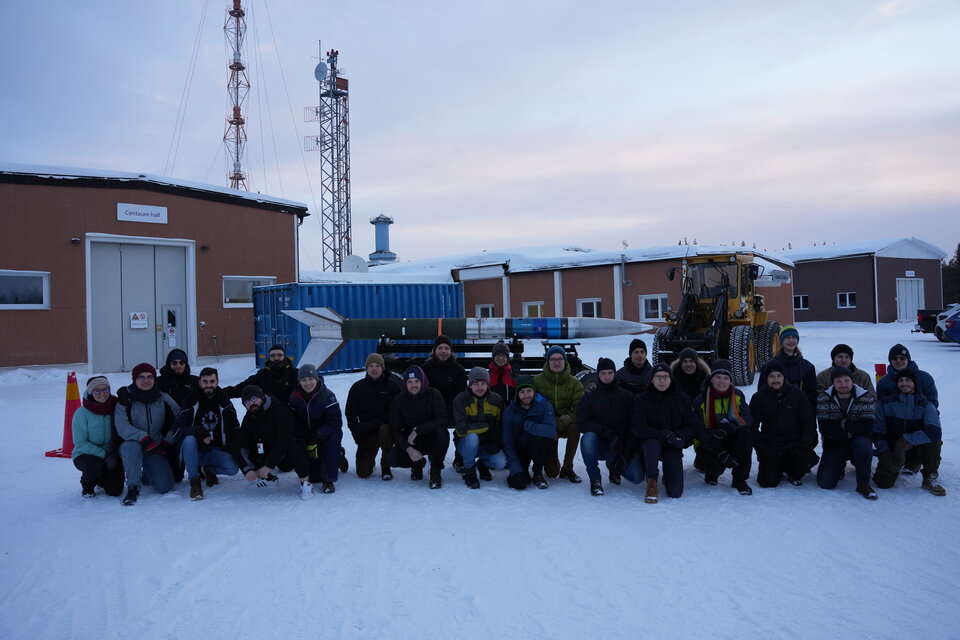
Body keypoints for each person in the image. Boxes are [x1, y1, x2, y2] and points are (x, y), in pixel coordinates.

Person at [115, 363, 183, 506]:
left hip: (155, 447)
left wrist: (167, 440)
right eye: (141, 377)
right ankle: (133, 487)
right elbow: (122, 426)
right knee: (131, 447)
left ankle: (147, 473)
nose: (145, 381)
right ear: (134, 379)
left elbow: (181, 418)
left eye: (149, 377)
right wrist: (143, 438)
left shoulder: (163, 398)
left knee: (165, 487)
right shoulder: (125, 399)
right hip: (132, 445)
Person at [630, 363, 700, 502]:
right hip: (651, 442)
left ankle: (668, 475)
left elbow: (693, 425)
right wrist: (662, 434)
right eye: (658, 377)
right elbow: (638, 427)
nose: (662, 381)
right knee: (652, 444)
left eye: (665, 377)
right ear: (652, 379)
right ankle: (651, 482)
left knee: (675, 492)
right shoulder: (641, 400)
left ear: (671, 379)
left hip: (672, 443)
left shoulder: (682, 399)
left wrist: (679, 436)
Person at [231, 385, 314, 499]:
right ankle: (268, 478)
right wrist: (247, 469)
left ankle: (305, 484)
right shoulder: (250, 417)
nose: (251, 403)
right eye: (247, 402)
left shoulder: (279, 408)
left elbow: (286, 438)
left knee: (295, 447)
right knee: (247, 443)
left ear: (261, 396)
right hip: (270, 452)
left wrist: (269, 465)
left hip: (286, 452)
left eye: (254, 399)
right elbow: (241, 443)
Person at [873, 368, 945, 496]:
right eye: (900, 380)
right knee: (883, 484)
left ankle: (930, 478)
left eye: (908, 380)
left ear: (915, 383)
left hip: (915, 449)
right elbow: (878, 432)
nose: (904, 383)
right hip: (892, 451)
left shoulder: (926, 406)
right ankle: (893, 466)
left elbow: (934, 431)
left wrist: (906, 441)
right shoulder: (884, 404)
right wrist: (884, 452)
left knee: (935, 443)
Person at [749, 360, 819, 488]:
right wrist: (762, 451)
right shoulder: (759, 398)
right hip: (772, 445)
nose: (776, 380)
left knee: (803, 460)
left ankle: (793, 469)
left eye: (779, 376)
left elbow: (808, 422)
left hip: (795, 443)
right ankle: (778, 465)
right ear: (766, 378)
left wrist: (805, 445)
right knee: (767, 482)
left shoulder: (797, 394)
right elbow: (752, 427)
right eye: (771, 376)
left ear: (784, 377)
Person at [175, 367, 240, 500]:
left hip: (215, 449)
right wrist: (199, 432)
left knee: (232, 468)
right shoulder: (191, 400)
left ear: (217, 382)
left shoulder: (224, 401)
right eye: (205, 381)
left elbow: (235, 426)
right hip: (195, 449)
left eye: (212, 381)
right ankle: (194, 480)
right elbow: (176, 430)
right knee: (188, 439)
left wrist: (233, 447)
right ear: (199, 382)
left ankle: (207, 469)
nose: (208, 385)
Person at [693, 360, 754, 495]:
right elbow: (697, 429)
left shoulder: (737, 396)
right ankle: (711, 473)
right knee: (716, 466)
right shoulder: (700, 399)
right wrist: (719, 450)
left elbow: (748, 418)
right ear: (711, 379)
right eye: (718, 377)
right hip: (709, 441)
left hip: (731, 436)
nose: (722, 381)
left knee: (746, 434)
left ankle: (740, 479)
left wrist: (730, 428)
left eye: (726, 378)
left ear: (730, 381)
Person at [816, 366, 878, 500]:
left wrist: (842, 424)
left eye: (846, 380)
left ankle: (863, 484)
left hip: (859, 442)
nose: (843, 384)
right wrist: (852, 429)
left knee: (863, 442)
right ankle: (838, 466)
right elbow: (825, 428)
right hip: (835, 442)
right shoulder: (823, 398)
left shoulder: (865, 397)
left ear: (852, 381)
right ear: (833, 383)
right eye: (838, 381)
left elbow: (867, 428)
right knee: (825, 483)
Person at [876, 344, 939, 475]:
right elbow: (881, 407)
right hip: (894, 424)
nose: (899, 361)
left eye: (902, 358)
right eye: (895, 358)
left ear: (908, 360)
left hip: (917, 422)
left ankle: (920, 466)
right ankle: (893, 459)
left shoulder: (925, 378)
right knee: (884, 481)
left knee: (933, 438)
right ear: (890, 361)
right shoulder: (884, 382)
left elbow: (932, 402)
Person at [577, 357, 636, 496]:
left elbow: (634, 423)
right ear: (598, 375)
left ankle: (614, 467)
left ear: (615, 373)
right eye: (603, 373)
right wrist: (604, 432)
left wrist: (625, 449)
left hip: (620, 445)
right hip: (599, 443)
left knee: (636, 477)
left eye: (610, 372)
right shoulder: (590, 397)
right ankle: (595, 479)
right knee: (587, 439)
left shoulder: (626, 396)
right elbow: (582, 423)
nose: (607, 376)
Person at [388, 365, 450, 489]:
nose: (413, 385)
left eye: (417, 381)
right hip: (411, 442)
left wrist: (418, 430)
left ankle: (435, 470)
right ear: (405, 383)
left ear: (423, 381)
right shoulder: (399, 399)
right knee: (392, 459)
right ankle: (417, 464)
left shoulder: (434, 394)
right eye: (410, 382)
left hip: (431, 438)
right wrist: (408, 449)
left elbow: (442, 418)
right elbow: (395, 429)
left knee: (443, 434)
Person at [288, 364, 344, 494]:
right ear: (299, 381)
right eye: (303, 380)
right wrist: (304, 436)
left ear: (316, 379)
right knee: (314, 477)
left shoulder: (327, 395)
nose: (308, 383)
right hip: (306, 433)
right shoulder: (294, 397)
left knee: (333, 440)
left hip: (326, 432)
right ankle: (339, 459)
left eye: (311, 379)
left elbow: (335, 421)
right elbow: (293, 421)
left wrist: (318, 434)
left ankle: (328, 481)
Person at [344, 353, 401, 481]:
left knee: (384, 430)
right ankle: (370, 459)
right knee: (363, 473)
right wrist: (356, 434)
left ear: (382, 368)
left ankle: (386, 465)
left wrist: (375, 424)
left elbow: (395, 413)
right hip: (367, 432)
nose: (374, 369)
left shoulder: (393, 386)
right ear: (366, 368)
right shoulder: (357, 388)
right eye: (371, 365)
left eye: (377, 365)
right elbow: (350, 414)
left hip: (386, 430)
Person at [534, 345, 585, 482]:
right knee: (552, 472)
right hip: (548, 427)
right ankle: (552, 461)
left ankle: (568, 468)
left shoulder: (575, 384)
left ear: (565, 361)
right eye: (553, 359)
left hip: (566, 424)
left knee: (575, 427)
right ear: (547, 361)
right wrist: (552, 425)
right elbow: (535, 409)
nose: (556, 362)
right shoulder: (537, 381)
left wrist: (560, 423)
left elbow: (578, 409)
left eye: (560, 359)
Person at [452, 367, 508, 489]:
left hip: (487, 444)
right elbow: (462, 429)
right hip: (466, 444)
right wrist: (487, 426)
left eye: (483, 383)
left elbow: (501, 426)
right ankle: (469, 471)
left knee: (500, 462)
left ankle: (482, 464)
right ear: (470, 385)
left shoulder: (497, 400)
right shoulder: (461, 400)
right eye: (476, 384)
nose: (480, 387)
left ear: (488, 384)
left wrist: (496, 442)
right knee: (472, 438)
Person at [71, 376, 124, 498]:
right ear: (90, 392)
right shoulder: (81, 413)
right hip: (85, 454)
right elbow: (81, 442)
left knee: (115, 491)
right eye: (97, 390)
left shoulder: (115, 407)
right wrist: (104, 455)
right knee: (96, 465)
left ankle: (102, 480)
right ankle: (87, 486)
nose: (102, 394)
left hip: (111, 453)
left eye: (105, 389)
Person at [420, 334, 467, 471]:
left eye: (446, 348)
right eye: (440, 348)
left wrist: (444, 403)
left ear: (451, 351)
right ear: (434, 351)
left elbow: (461, 395)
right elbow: (422, 392)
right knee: (434, 430)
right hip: (432, 410)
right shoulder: (426, 368)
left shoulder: (458, 370)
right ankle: (434, 457)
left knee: (463, 424)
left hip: (453, 409)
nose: (443, 351)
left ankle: (460, 457)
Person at [502, 376, 557, 490]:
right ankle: (522, 471)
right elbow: (508, 442)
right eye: (522, 392)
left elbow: (551, 430)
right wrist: (516, 471)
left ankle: (538, 474)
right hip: (520, 448)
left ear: (534, 391)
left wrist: (528, 425)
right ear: (517, 394)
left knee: (539, 438)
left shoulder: (544, 405)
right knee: (517, 481)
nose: (526, 395)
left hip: (539, 447)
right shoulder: (509, 411)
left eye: (529, 391)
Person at [757, 326, 817, 409]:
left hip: (799, 413)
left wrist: (809, 418)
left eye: (794, 337)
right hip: (775, 413)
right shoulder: (768, 366)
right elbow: (761, 393)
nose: (791, 340)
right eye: (787, 337)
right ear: (781, 341)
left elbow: (812, 397)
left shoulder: (807, 367)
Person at [225, 344, 299, 403]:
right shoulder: (262, 374)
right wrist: (222, 393)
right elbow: (244, 387)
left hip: (291, 414)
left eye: (279, 355)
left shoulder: (295, 373)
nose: (276, 358)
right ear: (269, 357)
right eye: (273, 355)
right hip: (270, 415)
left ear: (284, 356)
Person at [488, 341, 516, 406]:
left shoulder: (513, 376)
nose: (501, 358)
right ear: (493, 357)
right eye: (498, 355)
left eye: (503, 355)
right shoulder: (488, 376)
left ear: (507, 358)